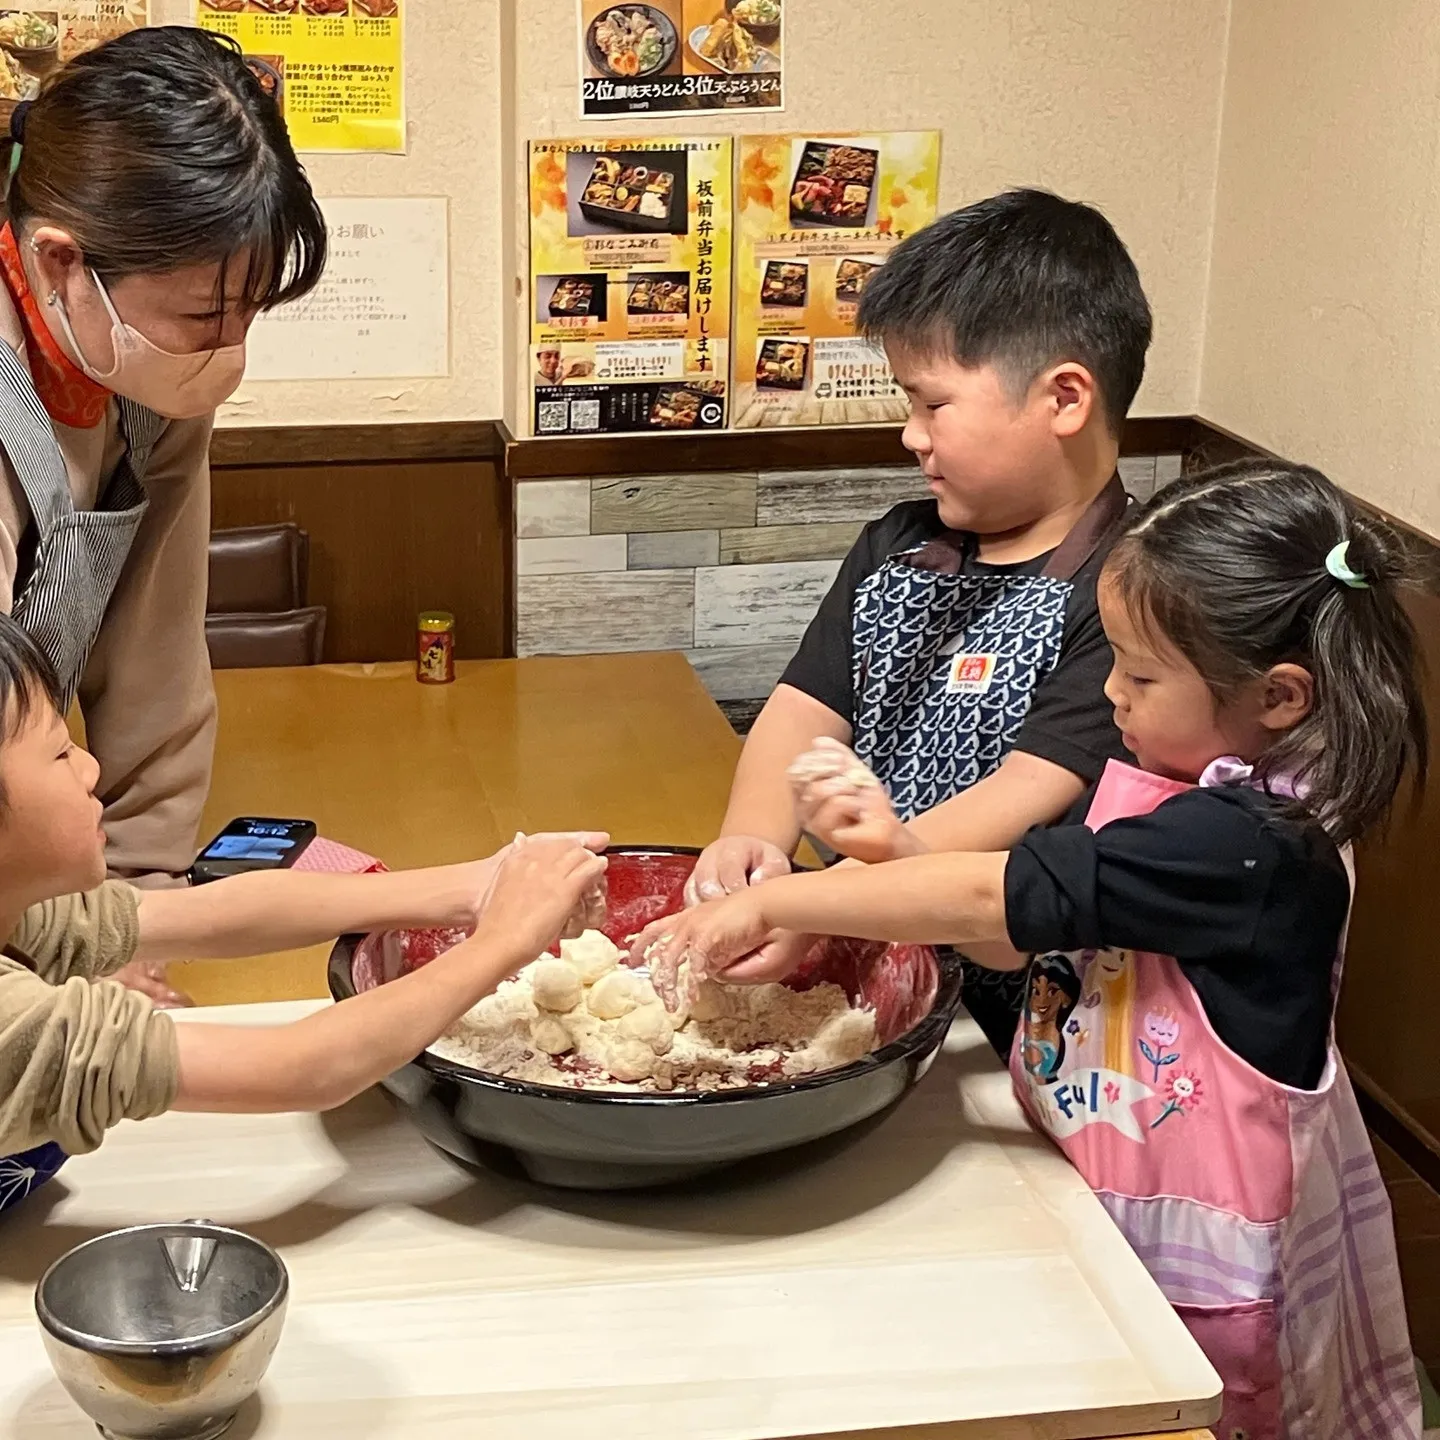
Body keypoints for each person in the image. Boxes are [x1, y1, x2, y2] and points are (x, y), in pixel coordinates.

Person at [641, 460, 1426, 1439]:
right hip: (1098, 1184)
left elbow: (1000, 892)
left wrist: (790, 900)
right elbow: (1044, 949)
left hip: (1201, 1260)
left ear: (1277, 697)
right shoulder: (1180, 796)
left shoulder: (1252, 845)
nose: (1113, 695)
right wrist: (893, 850)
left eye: (1138, 674)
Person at [686, 189, 1151, 1052]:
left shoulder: (1133, 591)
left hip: (1026, 1003)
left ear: (1064, 399)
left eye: (932, 404)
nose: (910, 435)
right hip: (861, 943)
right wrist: (752, 844)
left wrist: (828, 903)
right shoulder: (899, 547)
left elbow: (1024, 792)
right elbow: (801, 708)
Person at [0, 614, 608, 1214]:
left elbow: (211, 913)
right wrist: (501, 943)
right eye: (59, 755)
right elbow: (302, 1068)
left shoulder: (21, 908)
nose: (91, 768)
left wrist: (475, 886)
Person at [0, 27, 325, 893]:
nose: (229, 352)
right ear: (60, 261)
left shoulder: (145, 377)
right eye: (201, 317)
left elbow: (159, 651)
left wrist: (145, 884)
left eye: (249, 312)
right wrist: (87, 926)